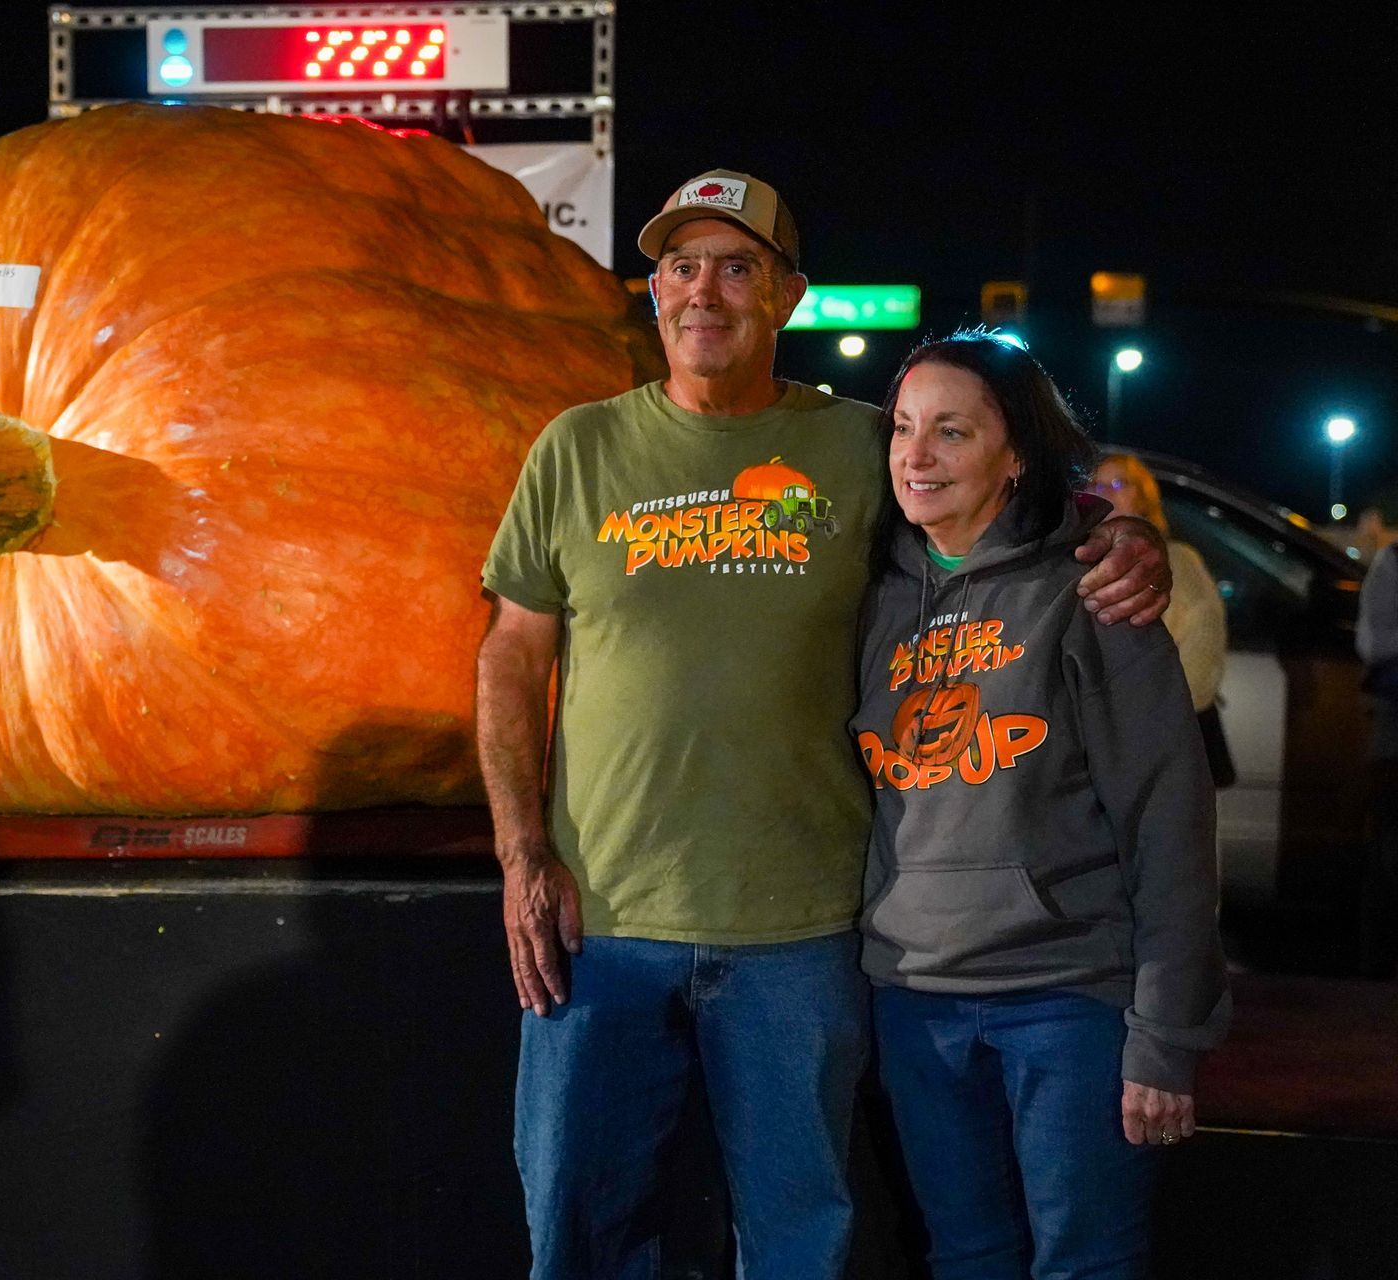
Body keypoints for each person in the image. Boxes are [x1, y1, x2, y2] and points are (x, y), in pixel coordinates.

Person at [476, 168, 1172, 1279]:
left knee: (800, 1240)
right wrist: (521, 851)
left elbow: (1005, 500)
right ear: (652, 293)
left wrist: (1117, 530)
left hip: (802, 928)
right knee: (578, 1230)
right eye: (680, 266)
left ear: (788, 295)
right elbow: (513, 652)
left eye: (738, 267)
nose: (705, 291)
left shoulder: (858, 444)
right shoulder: (576, 448)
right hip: (599, 918)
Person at [851, 332, 1229, 1279]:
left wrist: (1165, 1035)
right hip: (913, 1001)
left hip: (1065, 1002)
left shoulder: (1092, 592)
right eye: (902, 429)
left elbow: (1168, 820)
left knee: (1086, 1263)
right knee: (967, 1258)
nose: (916, 456)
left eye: (951, 431)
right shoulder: (869, 594)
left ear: (1014, 452)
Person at [1090, 453, 1234, 783]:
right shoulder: (1075, 561)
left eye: (1118, 483)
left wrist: (1155, 721)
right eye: (1097, 484)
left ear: (1142, 496)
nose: (1106, 492)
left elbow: (1202, 647)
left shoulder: (1176, 561)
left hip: (1158, 742)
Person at [1356, 540, 1398, 977]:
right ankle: (1379, 974)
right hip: (1395, 737)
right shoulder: (1393, 562)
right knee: (1389, 858)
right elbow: (1376, 643)